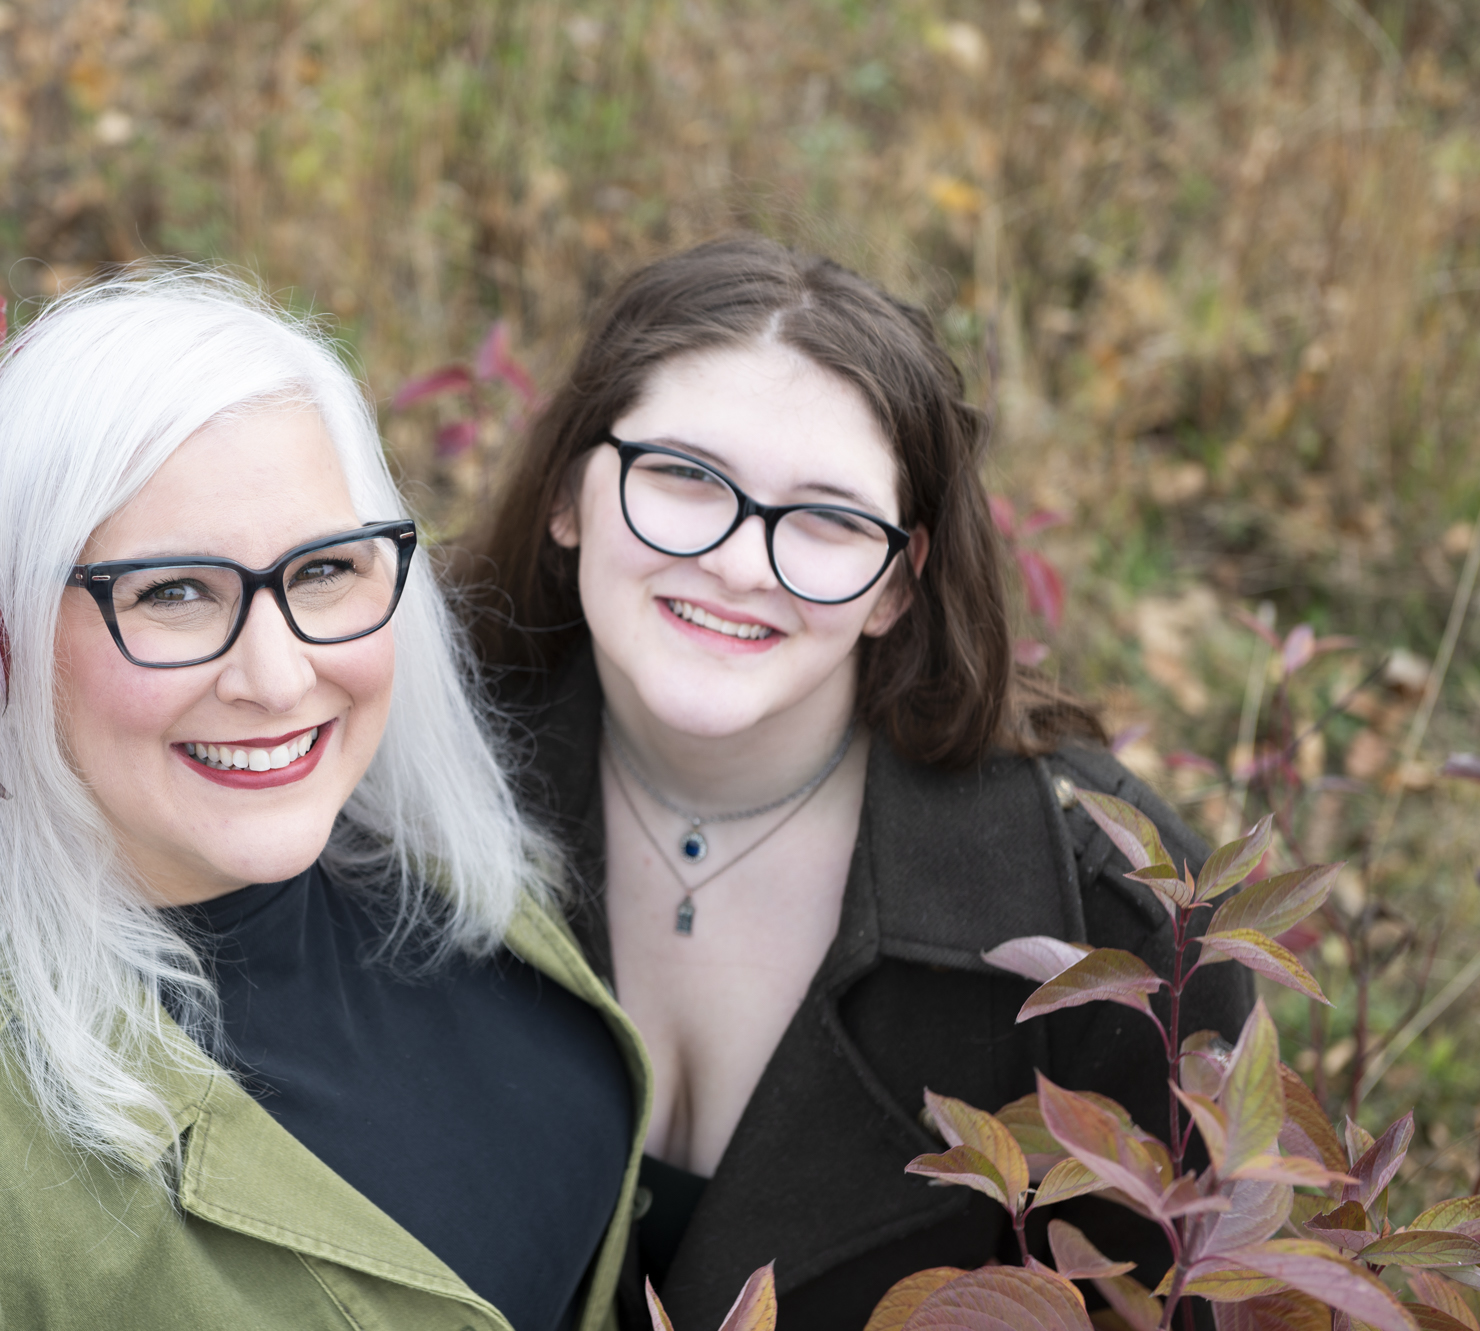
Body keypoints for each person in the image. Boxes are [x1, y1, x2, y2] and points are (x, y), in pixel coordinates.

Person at [0, 270, 647, 1331]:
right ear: (8, 631)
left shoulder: (431, 864)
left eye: (323, 569)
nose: (276, 678)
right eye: (173, 592)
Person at [461, 236, 1251, 1331]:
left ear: (895, 583)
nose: (740, 562)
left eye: (829, 517)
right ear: (566, 494)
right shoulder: (406, 787)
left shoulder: (1112, 922)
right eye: (685, 476)